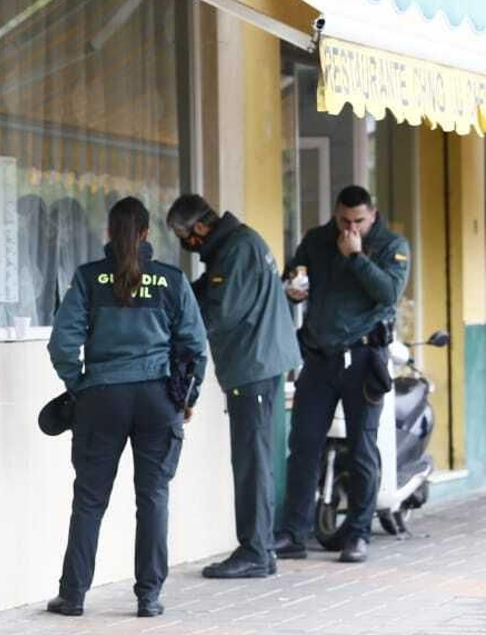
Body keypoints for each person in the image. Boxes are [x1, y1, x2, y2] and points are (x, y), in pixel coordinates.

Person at [45, 197, 208, 618]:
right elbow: (194, 345)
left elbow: (63, 343)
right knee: (153, 497)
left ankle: (74, 595)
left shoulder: (88, 279)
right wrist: (187, 397)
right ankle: (148, 597)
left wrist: (79, 385)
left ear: (108, 234)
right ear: (146, 234)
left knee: (89, 500)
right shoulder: (171, 280)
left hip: (102, 399)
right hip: (158, 399)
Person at [167, 195, 301, 580]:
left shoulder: (236, 250)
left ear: (201, 227)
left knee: (251, 461)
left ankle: (256, 551)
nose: (184, 242)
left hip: (253, 366)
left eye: (183, 234)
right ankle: (260, 548)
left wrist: (175, 330)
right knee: (253, 458)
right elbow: (207, 291)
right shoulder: (235, 245)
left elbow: (217, 310)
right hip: (258, 363)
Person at [275, 185, 410, 565]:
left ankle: (358, 534)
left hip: (364, 357)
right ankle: (293, 533)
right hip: (319, 357)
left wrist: (356, 258)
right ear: (335, 214)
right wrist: (293, 287)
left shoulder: (390, 245)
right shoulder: (318, 239)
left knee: (361, 448)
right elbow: (295, 276)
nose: (351, 228)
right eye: (344, 220)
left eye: (359, 221)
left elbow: (388, 293)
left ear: (373, 214)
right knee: (303, 445)